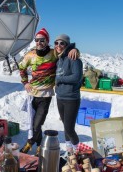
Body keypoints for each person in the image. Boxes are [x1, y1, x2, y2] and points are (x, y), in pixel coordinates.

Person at [18, 28, 78, 156]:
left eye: (42, 40)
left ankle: (30, 142)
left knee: (37, 123)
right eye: (37, 40)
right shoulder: (30, 55)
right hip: (31, 95)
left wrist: (75, 49)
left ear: (47, 41)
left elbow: (65, 52)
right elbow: (21, 68)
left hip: (45, 95)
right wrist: (25, 82)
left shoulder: (53, 53)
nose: (39, 42)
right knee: (34, 124)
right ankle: (39, 145)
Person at [54, 34, 83, 154]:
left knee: (69, 129)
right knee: (65, 126)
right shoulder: (59, 59)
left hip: (71, 98)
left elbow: (76, 77)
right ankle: (69, 150)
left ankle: (78, 151)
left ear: (67, 45)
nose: (58, 46)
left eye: (62, 43)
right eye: (56, 43)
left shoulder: (74, 58)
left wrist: (60, 79)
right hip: (60, 97)